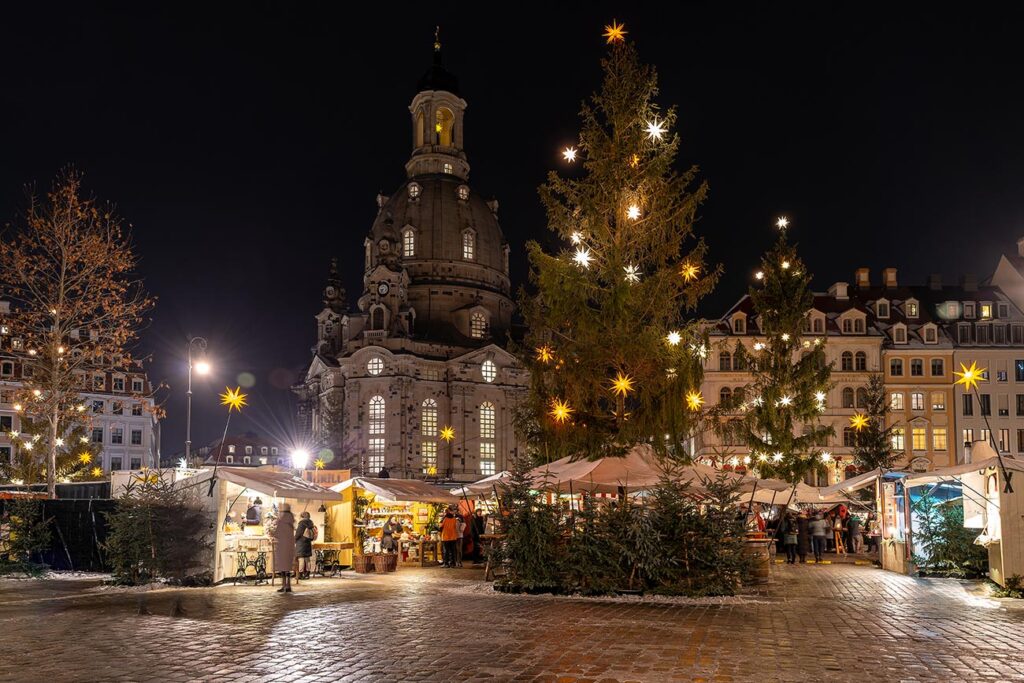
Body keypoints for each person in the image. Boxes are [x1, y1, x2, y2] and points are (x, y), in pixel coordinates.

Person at [274, 503, 296, 592]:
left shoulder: (282, 521)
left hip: (282, 547)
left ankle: (284, 585)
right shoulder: (291, 521)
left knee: (283, 568)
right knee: (287, 567)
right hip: (289, 547)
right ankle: (288, 585)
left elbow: (277, 533)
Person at [294, 511, 316, 580]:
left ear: (302, 516)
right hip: (308, 543)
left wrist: (294, 540)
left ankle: (300, 574)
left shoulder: (302, 523)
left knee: (301, 559)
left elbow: (298, 534)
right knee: (307, 559)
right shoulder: (311, 523)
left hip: (301, 543)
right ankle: (307, 574)